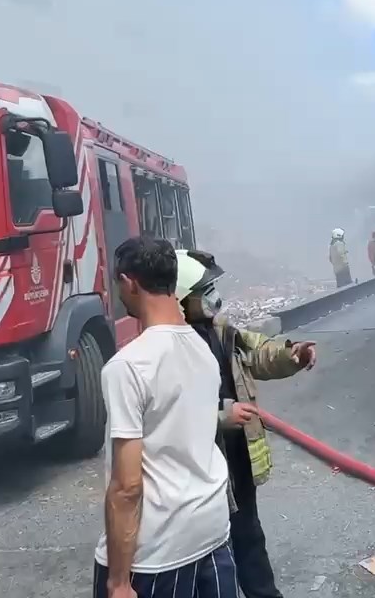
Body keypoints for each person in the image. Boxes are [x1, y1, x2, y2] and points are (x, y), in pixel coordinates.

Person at [96, 237, 236, 598]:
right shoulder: (202, 351)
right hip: (212, 532)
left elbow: (127, 488)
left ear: (129, 282)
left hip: (157, 555)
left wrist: (118, 581)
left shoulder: (128, 367)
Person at [174, 249, 317, 598]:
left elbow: (259, 352)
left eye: (212, 286)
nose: (211, 295)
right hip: (200, 466)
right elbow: (171, 413)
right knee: (208, 550)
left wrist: (292, 354)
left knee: (249, 537)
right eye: (203, 289)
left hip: (236, 460)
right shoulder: (171, 347)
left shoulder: (223, 333)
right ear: (180, 298)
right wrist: (221, 417)